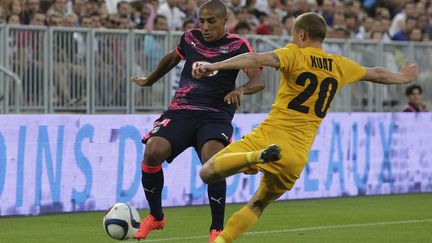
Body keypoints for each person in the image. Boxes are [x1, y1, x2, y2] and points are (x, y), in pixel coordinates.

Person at [192, 12, 419, 243]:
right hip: (296, 156)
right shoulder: (339, 64)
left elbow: (255, 59)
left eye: (292, 34)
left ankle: (255, 157)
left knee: (207, 172)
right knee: (259, 204)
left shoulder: (295, 54)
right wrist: (403, 78)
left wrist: (215, 65)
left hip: (268, 137)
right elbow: (377, 74)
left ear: (301, 34)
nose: (291, 39)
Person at [130, 0, 264, 242]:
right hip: (181, 111)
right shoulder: (190, 38)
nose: (205, 26)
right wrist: (150, 80)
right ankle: (156, 217)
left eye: (211, 21)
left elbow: (258, 81)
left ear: (225, 21)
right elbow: (172, 58)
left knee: (213, 163)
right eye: (201, 21)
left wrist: (242, 90)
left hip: (215, 115)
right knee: (152, 152)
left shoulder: (238, 46)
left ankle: (216, 231)